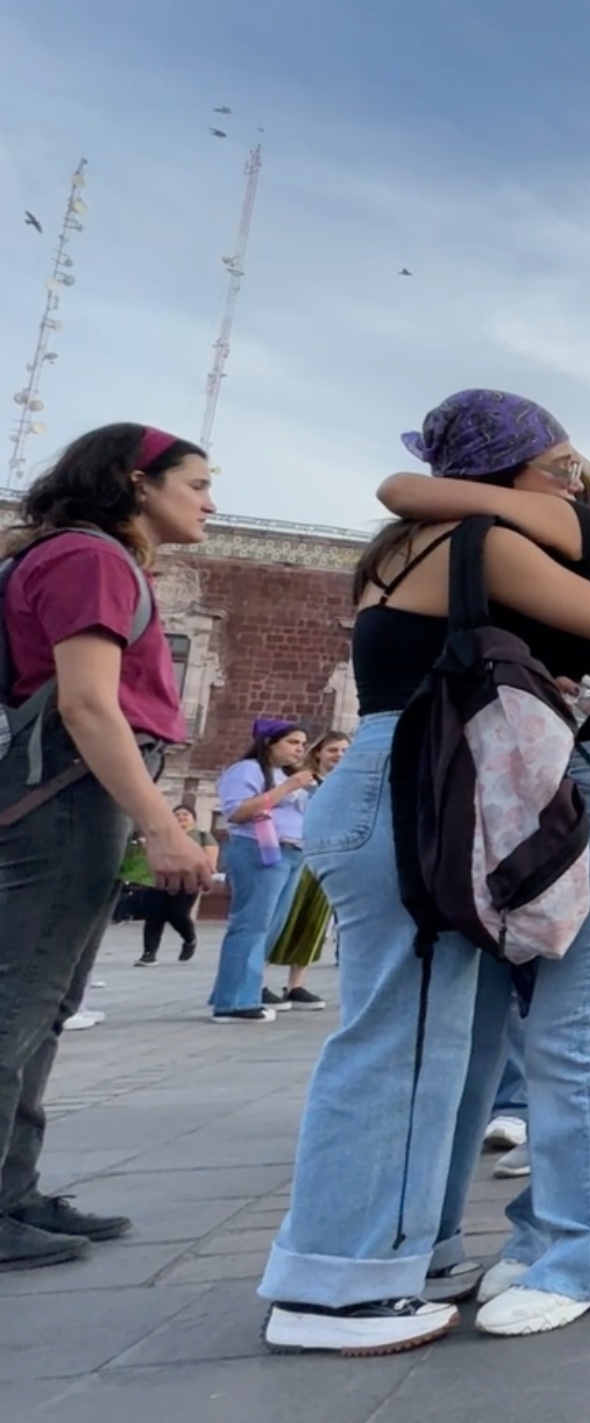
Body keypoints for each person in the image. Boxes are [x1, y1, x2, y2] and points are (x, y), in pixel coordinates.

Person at [260, 390, 590, 1353]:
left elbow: (403, 488)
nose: (573, 479)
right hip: (473, 787)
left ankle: (523, 1248)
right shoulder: (483, 537)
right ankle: (361, 1274)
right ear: (546, 470)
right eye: (561, 463)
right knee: (435, 1040)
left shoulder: (423, 544)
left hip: (527, 788)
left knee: (492, 1035)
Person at [0, 423, 214, 1272]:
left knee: (42, 1004)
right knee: (21, 1000)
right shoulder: (92, 561)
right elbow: (90, 705)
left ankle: (13, 1191)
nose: (208, 500)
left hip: (60, 794)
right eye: (195, 482)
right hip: (65, 798)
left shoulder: (58, 554)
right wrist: (161, 822)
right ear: (136, 482)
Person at [210, 721, 314, 1023]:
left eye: (302, 743)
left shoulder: (290, 776)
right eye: (293, 742)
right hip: (261, 850)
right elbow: (237, 811)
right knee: (251, 925)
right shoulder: (247, 770)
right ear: (270, 743)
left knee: (270, 927)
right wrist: (287, 788)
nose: (300, 749)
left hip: (293, 853)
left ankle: (236, 990)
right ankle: (233, 1003)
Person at [263, 730, 351, 1010]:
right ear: (319, 754)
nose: (339, 755)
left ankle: (296, 984)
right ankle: (257, 980)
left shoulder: (349, 785)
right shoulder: (303, 783)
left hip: (329, 857)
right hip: (298, 853)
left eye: (344, 751)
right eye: (333, 750)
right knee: (281, 918)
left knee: (314, 922)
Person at [133, 804, 218, 967]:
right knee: (154, 915)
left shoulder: (202, 836)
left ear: (193, 818)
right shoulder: (163, 836)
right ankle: (149, 954)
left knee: (177, 914)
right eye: (177, 814)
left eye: (185, 814)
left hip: (187, 882)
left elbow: (210, 860)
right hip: (158, 880)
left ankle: (189, 939)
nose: (181, 817)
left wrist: (206, 877)